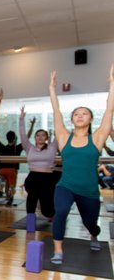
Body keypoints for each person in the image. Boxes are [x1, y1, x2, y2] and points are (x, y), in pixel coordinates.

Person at [48, 66, 114, 264]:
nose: (80, 115)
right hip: (65, 186)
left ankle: (94, 234)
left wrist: (112, 83)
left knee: (90, 223)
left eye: (84, 113)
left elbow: (110, 109)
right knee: (60, 212)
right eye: (76, 113)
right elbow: (56, 110)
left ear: (91, 119)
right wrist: (52, 88)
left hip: (89, 190)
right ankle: (58, 250)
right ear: (72, 119)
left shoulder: (97, 138)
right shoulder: (63, 137)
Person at [19, 106, 58, 219]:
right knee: (31, 201)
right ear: (35, 137)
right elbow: (22, 134)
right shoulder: (29, 147)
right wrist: (21, 118)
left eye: (43, 135)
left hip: (48, 179)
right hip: (33, 178)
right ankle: (30, 225)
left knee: (47, 208)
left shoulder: (52, 147)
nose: (40, 137)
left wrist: (56, 115)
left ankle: (52, 217)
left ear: (47, 137)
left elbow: (59, 131)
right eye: (38, 135)